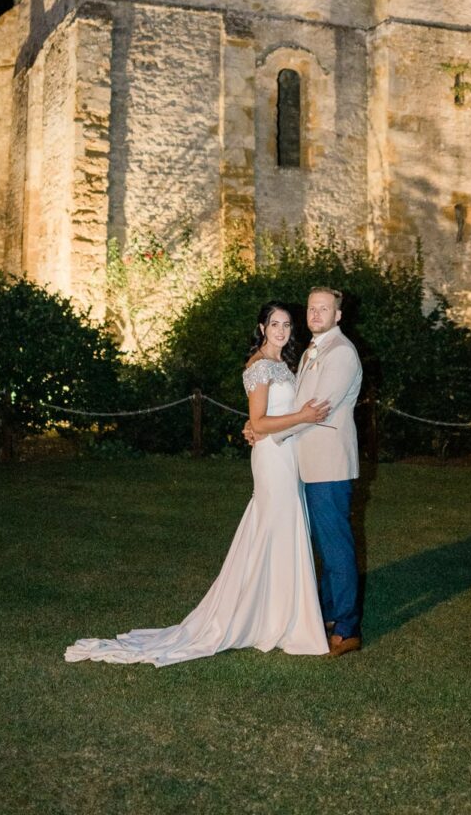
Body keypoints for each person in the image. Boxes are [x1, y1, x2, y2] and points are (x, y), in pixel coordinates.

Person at [63, 302, 331, 666]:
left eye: (286, 324)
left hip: (289, 457)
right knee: (274, 527)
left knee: (281, 530)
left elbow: (267, 419)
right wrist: (300, 416)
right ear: (262, 328)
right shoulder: (259, 366)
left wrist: (287, 421)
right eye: (274, 324)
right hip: (272, 460)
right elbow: (261, 421)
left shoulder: (285, 364)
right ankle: (262, 615)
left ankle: (279, 614)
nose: (282, 330)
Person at [244, 285, 363, 655]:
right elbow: (292, 404)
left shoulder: (340, 353)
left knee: (336, 546)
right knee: (324, 546)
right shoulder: (312, 350)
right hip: (302, 462)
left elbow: (316, 410)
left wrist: (264, 430)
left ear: (337, 315)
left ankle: (346, 628)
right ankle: (327, 611)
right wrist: (258, 424)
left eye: (323, 309)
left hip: (327, 463)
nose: (315, 315)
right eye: (311, 309)